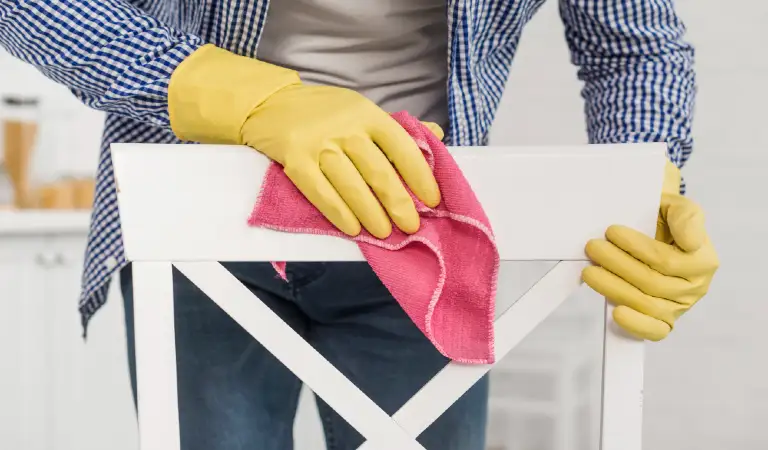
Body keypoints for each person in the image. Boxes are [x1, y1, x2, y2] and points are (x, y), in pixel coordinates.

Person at [1, 1, 719, 449]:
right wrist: (248, 100)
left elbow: (632, 45)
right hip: (199, 224)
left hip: (422, 240)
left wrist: (649, 187)